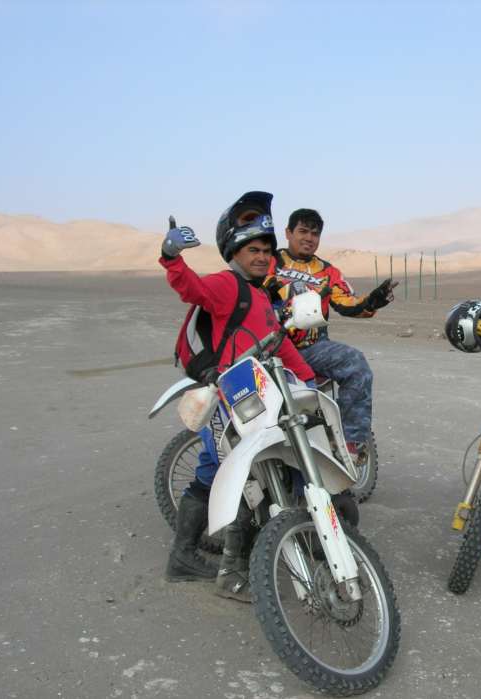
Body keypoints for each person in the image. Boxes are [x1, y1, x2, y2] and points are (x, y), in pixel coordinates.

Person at [159, 191, 315, 601]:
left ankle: (202, 554)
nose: (262, 257)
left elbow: (278, 343)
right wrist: (172, 257)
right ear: (234, 253)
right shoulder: (227, 285)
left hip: (255, 398)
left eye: (266, 250)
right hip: (227, 398)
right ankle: (224, 569)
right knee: (233, 474)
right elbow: (192, 289)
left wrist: (307, 380)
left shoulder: (261, 297)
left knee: (234, 471)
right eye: (253, 250)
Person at [264, 208, 397, 459]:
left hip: (311, 348)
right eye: (303, 231)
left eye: (314, 234)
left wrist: (371, 302)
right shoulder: (268, 261)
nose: (309, 238)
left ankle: (350, 443)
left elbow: (347, 303)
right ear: (288, 233)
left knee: (356, 363)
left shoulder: (328, 272)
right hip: (268, 345)